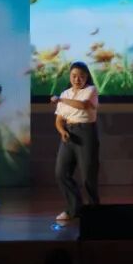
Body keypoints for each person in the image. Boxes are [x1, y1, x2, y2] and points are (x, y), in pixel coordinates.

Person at [51, 61, 100, 222]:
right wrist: (62, 131)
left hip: (86, 132)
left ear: (86, 77)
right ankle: (74, 208)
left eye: (81, 76)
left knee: (88, 176)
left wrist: (61, 100)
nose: (77, 79)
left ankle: (94, 211)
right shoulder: (65, 93)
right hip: (69, 133)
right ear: (69, 77)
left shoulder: (91, 90)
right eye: (74, 76)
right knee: (61, 173)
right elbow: (59, 120)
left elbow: (83, 105)